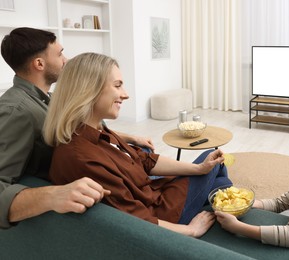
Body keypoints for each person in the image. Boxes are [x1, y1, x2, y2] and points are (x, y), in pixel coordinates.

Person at [43, 52, 232, 238]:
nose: (125, 95)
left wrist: (198, 168)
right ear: (89, 90)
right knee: (217, 168)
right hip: (163, 214)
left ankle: (227, 198)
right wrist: (191, 231)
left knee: (215, 173)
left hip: (155, 193)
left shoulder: (96, 129)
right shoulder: (82, 158)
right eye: (117, 86)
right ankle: (231, 202)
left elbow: (144, 160)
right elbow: (135, 219)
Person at [0, 27, 154, 229]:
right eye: (60, 53)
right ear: (39, 63)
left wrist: (130, 138)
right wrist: (53, 194)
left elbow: (79, 130)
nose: (66, 59)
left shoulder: (50, 99)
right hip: (88, 179)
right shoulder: (16, 111)